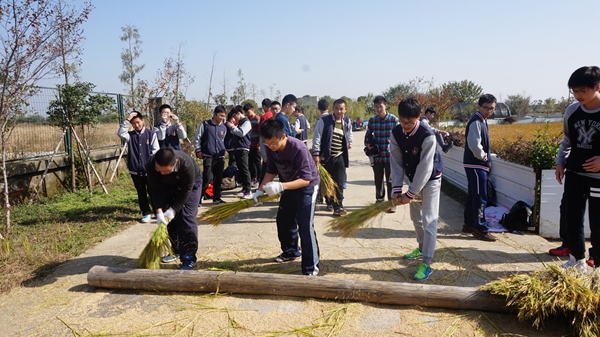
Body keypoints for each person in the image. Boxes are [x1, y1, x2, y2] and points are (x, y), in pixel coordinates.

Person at [253, 118, 320, 275]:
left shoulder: (298, 148)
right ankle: (291, 251)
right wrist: (260, 190)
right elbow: (271, 170)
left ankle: (311, 268)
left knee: (305, 225)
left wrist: (281, 186)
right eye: (267, 144)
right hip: (289, 185)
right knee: (284, 220)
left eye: (274, 144)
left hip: (307, 188)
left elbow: (305, 180)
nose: (271, 147)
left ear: (283, 136)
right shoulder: (271, 147)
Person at [390, 97, 443, 281]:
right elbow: (396, 163)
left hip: (431, 179)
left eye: (410, 122)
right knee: (415, 217)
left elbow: (425, 168)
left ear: (419, 117)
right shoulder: (396, 133)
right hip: (414, 179)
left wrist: (410, 194)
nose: (405, 125)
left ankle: (427, 263)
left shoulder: (427, 135)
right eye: (402, 121)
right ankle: (421, 247)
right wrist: (397, 190)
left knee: (429, 219)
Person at [556, 66, 600, 273]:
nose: (578, 96)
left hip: (598, 177)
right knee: (571, 216)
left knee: (598, 221)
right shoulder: (572, 111)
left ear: (597, 87)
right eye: (575, 91)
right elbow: (567, 141)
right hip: (575, 173)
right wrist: (560, 162)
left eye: (583, 91)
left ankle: (598, 262)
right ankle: (577, 259)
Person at [146, 148, 202, 270]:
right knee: (170, 220)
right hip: (166, 186)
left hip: (191, 187)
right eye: (160, 171)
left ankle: (188, 257)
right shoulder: (151, 163)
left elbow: (186, 190)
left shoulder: (185, 164)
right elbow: (154, 189)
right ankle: (176, 250)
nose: (162, 173)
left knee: (186, 217)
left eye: (166, 171)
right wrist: (159, 211)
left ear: (175, 163)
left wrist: (174, 209)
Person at [462, 94, 498, 242]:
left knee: (473, 195)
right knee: (481, 197)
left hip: (475, 164)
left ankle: (469, 224)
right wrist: (484, 157)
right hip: (476, 164)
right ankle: (480, 228)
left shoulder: (482, 120)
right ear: (479, 106)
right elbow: (474, 145)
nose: (489, 111)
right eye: (486, 108)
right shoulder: (476, 122)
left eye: (492, 108)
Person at [312, 98, 353, 216]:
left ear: (345, 109)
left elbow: (349, 133)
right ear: (332, 108)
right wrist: (316, 154)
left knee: (339, 182)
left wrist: (350, 141)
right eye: (336, 108)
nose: (339, 111)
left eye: (341, 109)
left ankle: (339, 206)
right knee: (328, 182)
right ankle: (330, 203)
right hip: (326, 157)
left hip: (340, 156)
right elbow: (317, 137)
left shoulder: (346, 121)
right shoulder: (324, 121)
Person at [117, 111, 159, 223]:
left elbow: (156, 151)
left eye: (138, 122)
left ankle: (157, 211)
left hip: (149, 171)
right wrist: (127, 119)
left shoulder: (151, 134)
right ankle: (146, 213)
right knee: (141, 192)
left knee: (152, 191)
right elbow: (120, 133)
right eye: (133, 123)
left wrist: (152, 166)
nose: (136, 125)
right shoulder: (130, 136)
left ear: (142, 121)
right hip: (135, 170)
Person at [365, 95, 399, 212]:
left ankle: (392, 202)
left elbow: (400, 138)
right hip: (377, 155)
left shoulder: (394, 120)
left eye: (380, 106)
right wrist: (368, 144)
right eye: (376, 107)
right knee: (378, 179)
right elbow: (367, 136)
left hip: (390, 156)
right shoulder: (372, 121)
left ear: (386, 106)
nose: (378, 109)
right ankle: (379, 200)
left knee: (391, 180)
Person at [193, 105, 227, 205]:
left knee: (218, 178)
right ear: (214, 114)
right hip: (208, 155)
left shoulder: (223, 127)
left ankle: (217, 198)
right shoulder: (205, 124)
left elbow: (222, 140)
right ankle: (198, 198)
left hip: (220, 157)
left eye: (223, 116)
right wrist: (198, 150)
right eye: (220, 115)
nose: (222, 118)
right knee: (207, 177)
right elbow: (197, 138)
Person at [226, 105, 252, 199]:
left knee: (245, 169)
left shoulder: (246, 122)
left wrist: (232, 127)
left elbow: (241, 133)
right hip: (237, 148)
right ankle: (244, 188)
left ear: (238, 113)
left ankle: (248, 190)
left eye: (234, 116)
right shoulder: (240, 122)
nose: (234, 118)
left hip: (243, 148)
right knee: (240, 169)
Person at [244, 102, 261, 187]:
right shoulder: (247, 120)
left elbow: (260, 133)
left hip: (256, 145)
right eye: (245, 112)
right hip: (249, 145)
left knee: (257, 162)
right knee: (251, 163)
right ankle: (253, 178)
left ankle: (260, 178)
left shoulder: (258, 119)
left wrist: (259, 144)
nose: (247, 114)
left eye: (248, 111)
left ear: (252, 110)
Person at [258, 98, 273, 185]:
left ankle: (262, 185)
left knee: (265, 165)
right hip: (274, 143)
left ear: (264, 106)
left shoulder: (264, 117)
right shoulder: (273, 115)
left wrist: (259, 145)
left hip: (266, 144)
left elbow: (260, 132)